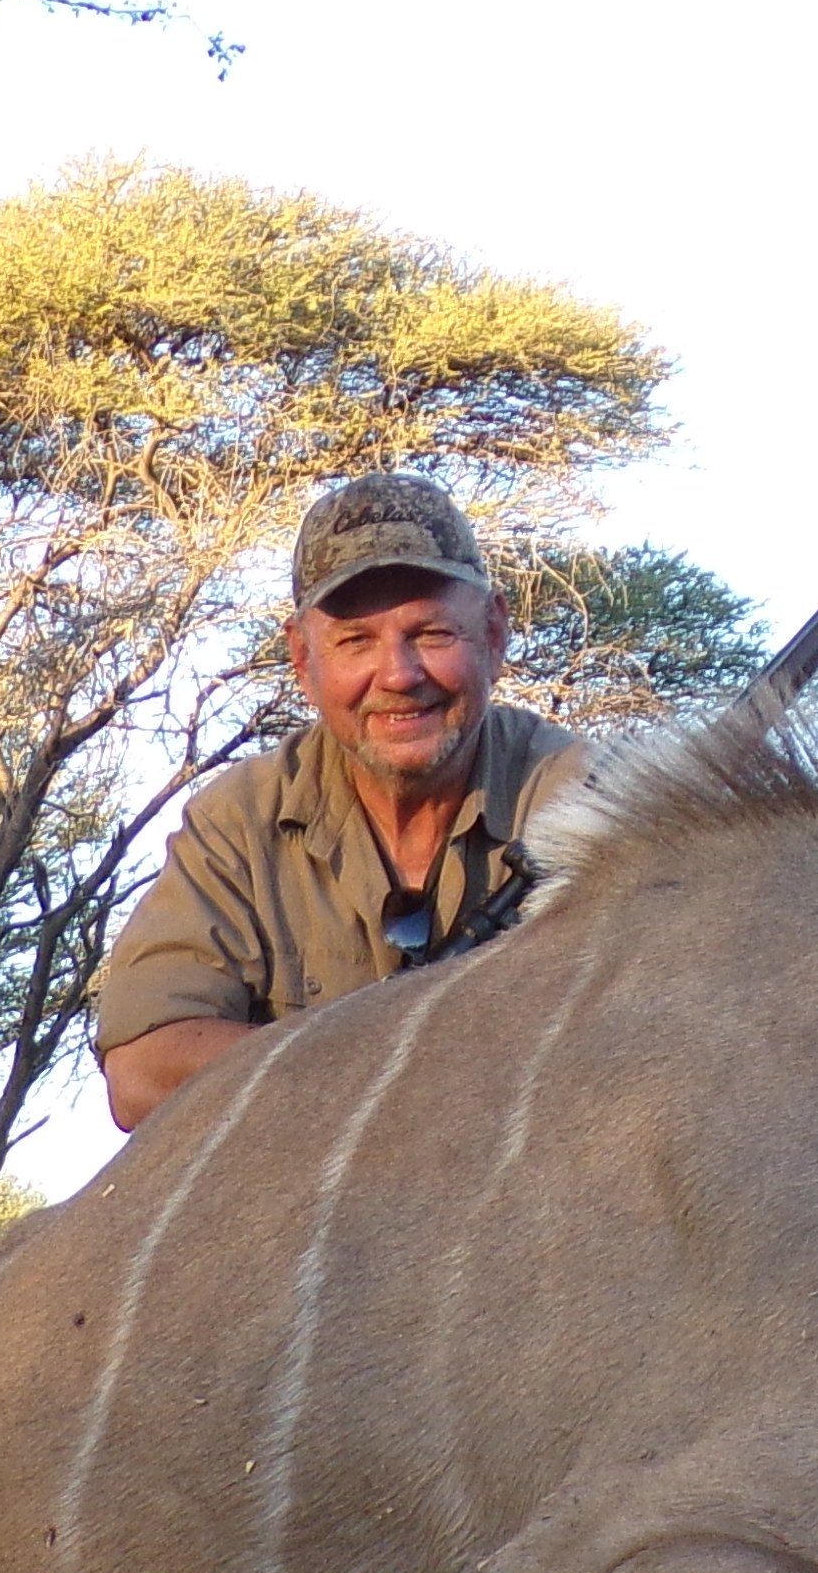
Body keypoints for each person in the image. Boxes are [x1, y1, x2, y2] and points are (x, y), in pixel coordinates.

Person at [92, 473, 592, 1131]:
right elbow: (142, 1075)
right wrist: (402, 1069)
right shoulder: (240, 820)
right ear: (303, 660)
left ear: (495, 634)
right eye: (356, 642)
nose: (399, 675)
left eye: (433, 633)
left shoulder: (594, 802)